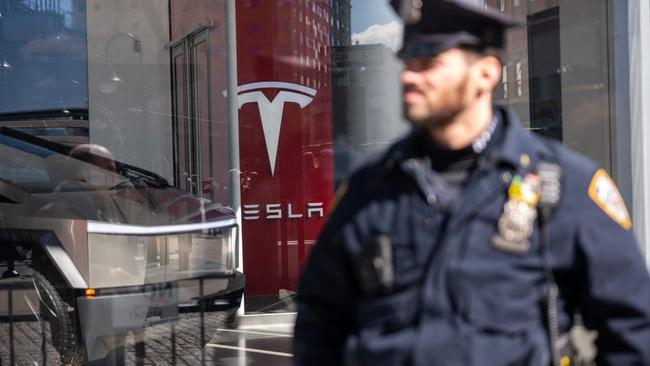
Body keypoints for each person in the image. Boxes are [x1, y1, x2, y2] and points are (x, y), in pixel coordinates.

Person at [293, 1, 650, 365]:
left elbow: (634, 327)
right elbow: (319, 321)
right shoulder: (371, 189)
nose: (408, 76)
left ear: (486, 74)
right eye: (408, 61)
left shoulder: (562, 186)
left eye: (429, 61)